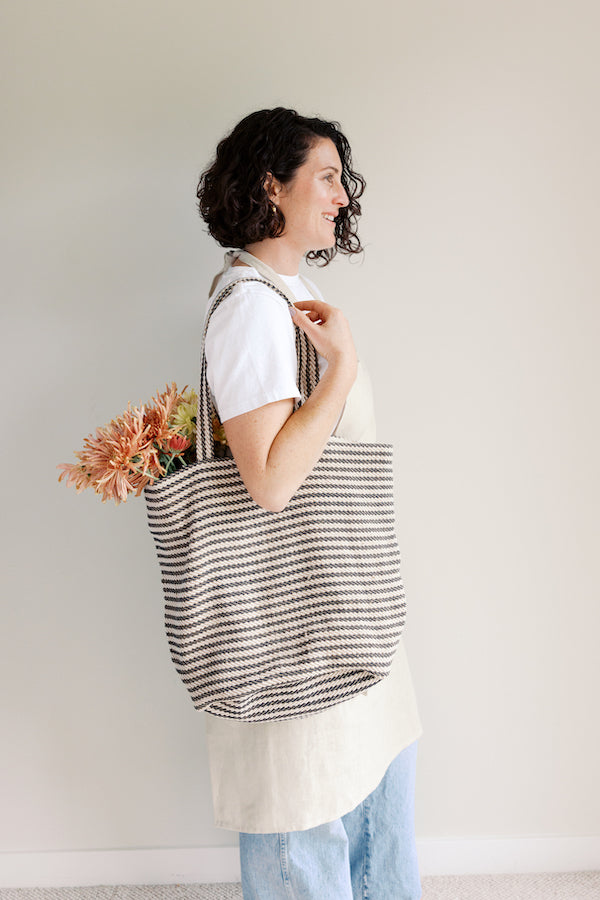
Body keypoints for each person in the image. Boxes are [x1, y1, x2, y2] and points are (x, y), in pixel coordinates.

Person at [196, 107, 422, 900]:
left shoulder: (292, 292)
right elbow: (270, 482)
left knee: (373, 801)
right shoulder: (253, 307)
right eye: (326, 177)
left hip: (342, 607)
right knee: (307, 815)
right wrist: (342, 370)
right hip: (294, 627)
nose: (341, 196)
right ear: (272, 184)